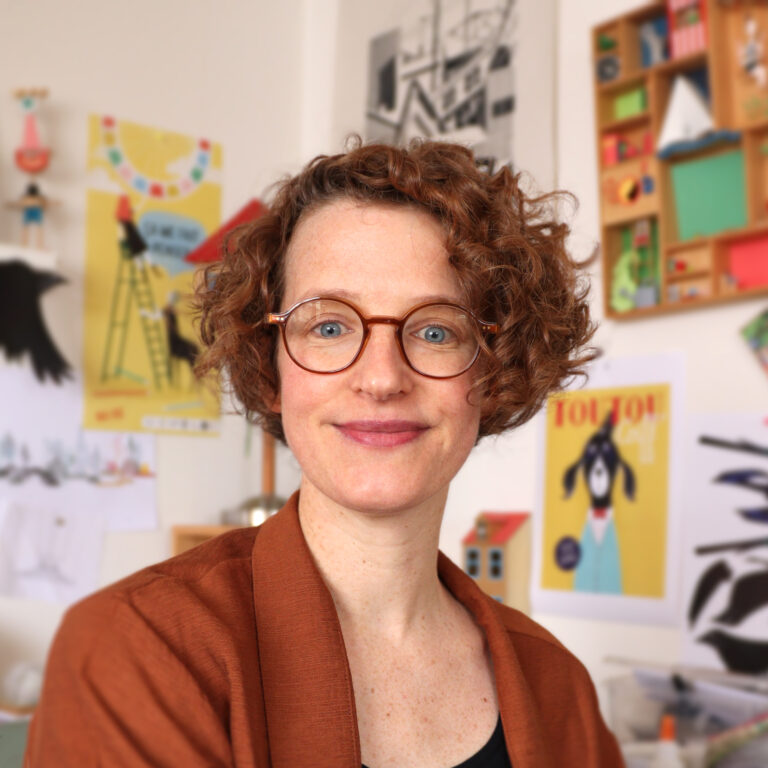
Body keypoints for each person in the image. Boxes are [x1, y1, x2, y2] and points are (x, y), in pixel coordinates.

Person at [25, 139, 624, 767]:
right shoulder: (140, 648)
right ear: (270, 367)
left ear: (495, 374)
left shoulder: (559, 687)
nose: (382, 378)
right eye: (330, 326)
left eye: (436, 330)